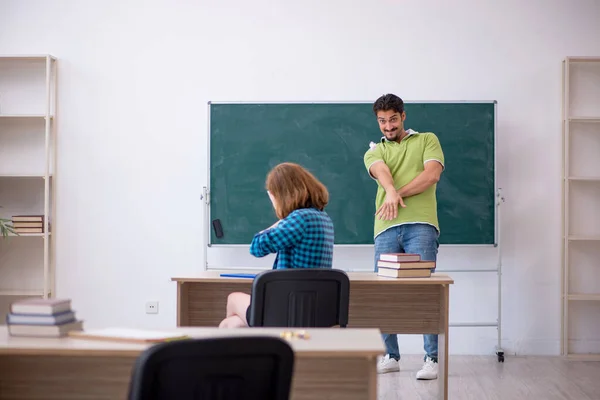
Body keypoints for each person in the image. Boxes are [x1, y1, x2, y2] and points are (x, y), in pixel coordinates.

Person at [363, 93, 445, 380]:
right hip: (385, 227)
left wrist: (396, 193)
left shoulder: (426, 140)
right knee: (383, 293)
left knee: (425, 291)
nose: (388, 126)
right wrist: (390, 189)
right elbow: (381, 171)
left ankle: (431, 358)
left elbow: (431, 174)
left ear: (403, 116)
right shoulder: (374, 151)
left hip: (421, 224)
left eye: (393, 120)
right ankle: (390, 355)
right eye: (382, 121)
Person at [218, 162, 335, 329]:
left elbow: (257, 247)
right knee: (231, 325)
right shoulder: (323, 218)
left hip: (288, 306)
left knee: (233, 298)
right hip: (312, 306)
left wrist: (279, 221)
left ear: (281, 195)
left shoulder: (298, 218)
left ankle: (253, 350)